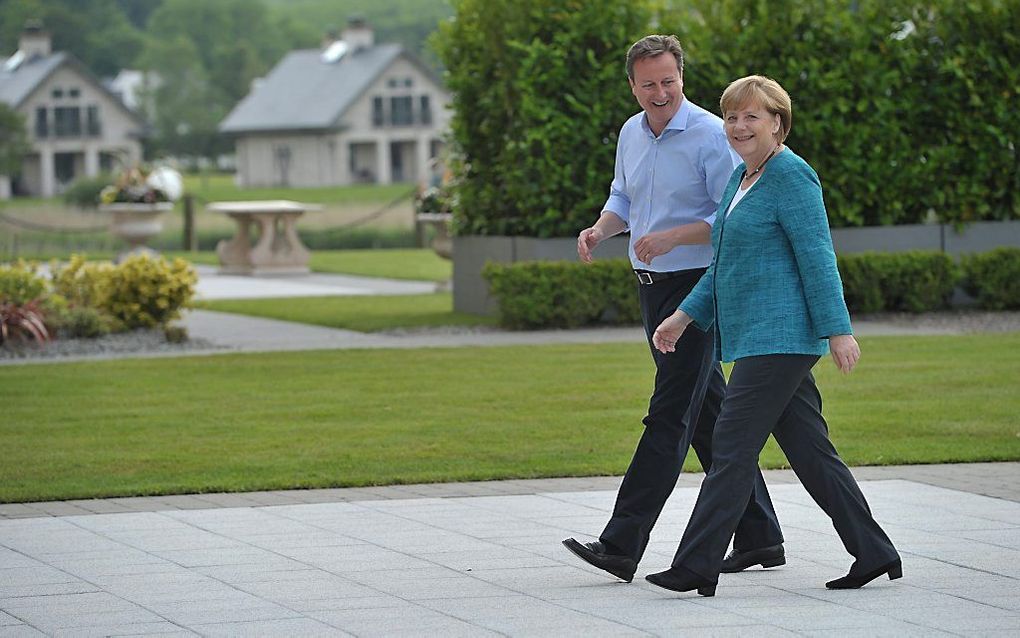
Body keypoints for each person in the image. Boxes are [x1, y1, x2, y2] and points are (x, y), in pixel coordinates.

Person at [645, 75, 902, 597]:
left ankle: (697, 564)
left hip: (782, 339)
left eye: (752, 117)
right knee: (812, 452)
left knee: (731, 446)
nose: (739, 126)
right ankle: (875, 552)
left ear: (778, 124)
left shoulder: (792, 176)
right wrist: (683, 317)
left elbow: (818, 258)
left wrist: (838, 330)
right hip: (759, 337)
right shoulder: (742, 180)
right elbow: (725, 267)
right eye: (732, 117)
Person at [561, 35, 785, 584]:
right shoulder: (631, 133)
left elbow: (733, 214)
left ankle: (621, 543)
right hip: (650, 286)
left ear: (681, 77)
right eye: (648, 84)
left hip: (697, 287)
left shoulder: (712, 134)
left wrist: (670, 237)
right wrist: (600, 229)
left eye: (668, 81)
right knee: (706, 412)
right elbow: (622, 198)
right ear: (633, 85)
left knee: (669, 416)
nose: (659, 92)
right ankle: (760, 536)